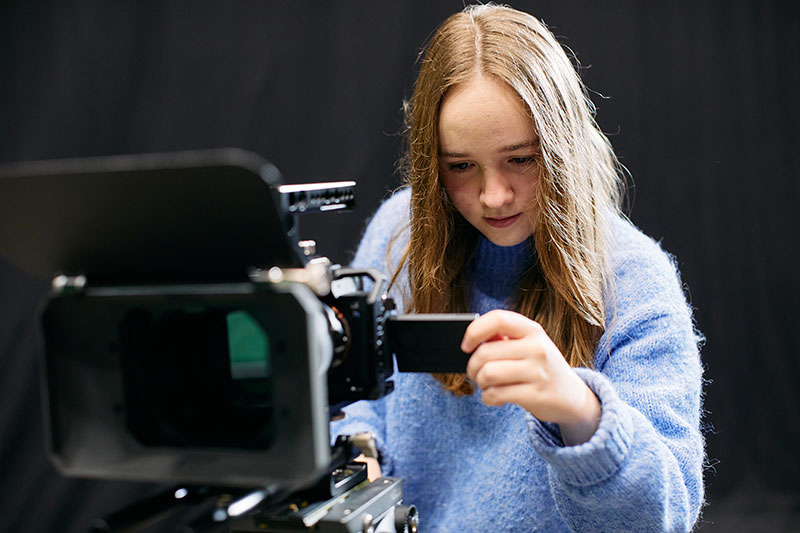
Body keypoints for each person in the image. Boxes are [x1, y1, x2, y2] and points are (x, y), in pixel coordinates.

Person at [331, 4, 705, 531]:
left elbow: (663, 516)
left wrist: (582, 415)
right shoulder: (398, 237)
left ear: (561, 146)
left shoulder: (635, 282)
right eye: (460, 166)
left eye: (521, 159)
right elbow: (352, 399)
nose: (493, 195)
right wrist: (356, 465)